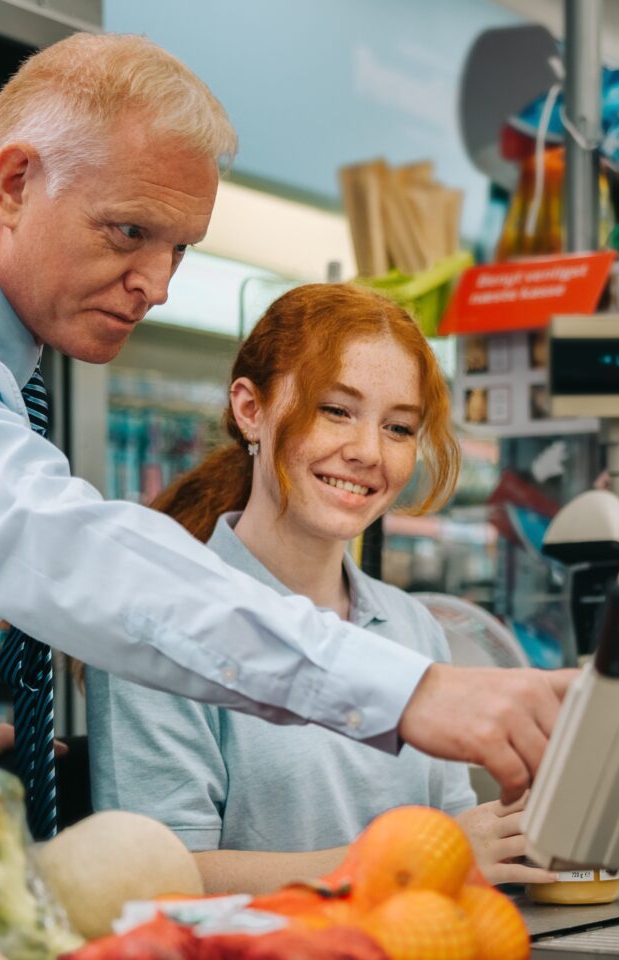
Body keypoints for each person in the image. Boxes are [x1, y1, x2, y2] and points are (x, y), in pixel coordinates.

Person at [0, 32, 573, 838]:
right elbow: (63, 553)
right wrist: (405, 690)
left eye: (180, 249)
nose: (156, 285)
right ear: (15, 182)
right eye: (130, 232)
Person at [88, 284, 561, 894]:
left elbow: (456, 840)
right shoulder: (156, 625)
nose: (367, 451)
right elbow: (157, 879)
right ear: (249, 409)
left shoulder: (413, 627)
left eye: (398, 427)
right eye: (335, 410)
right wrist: (409, 860)